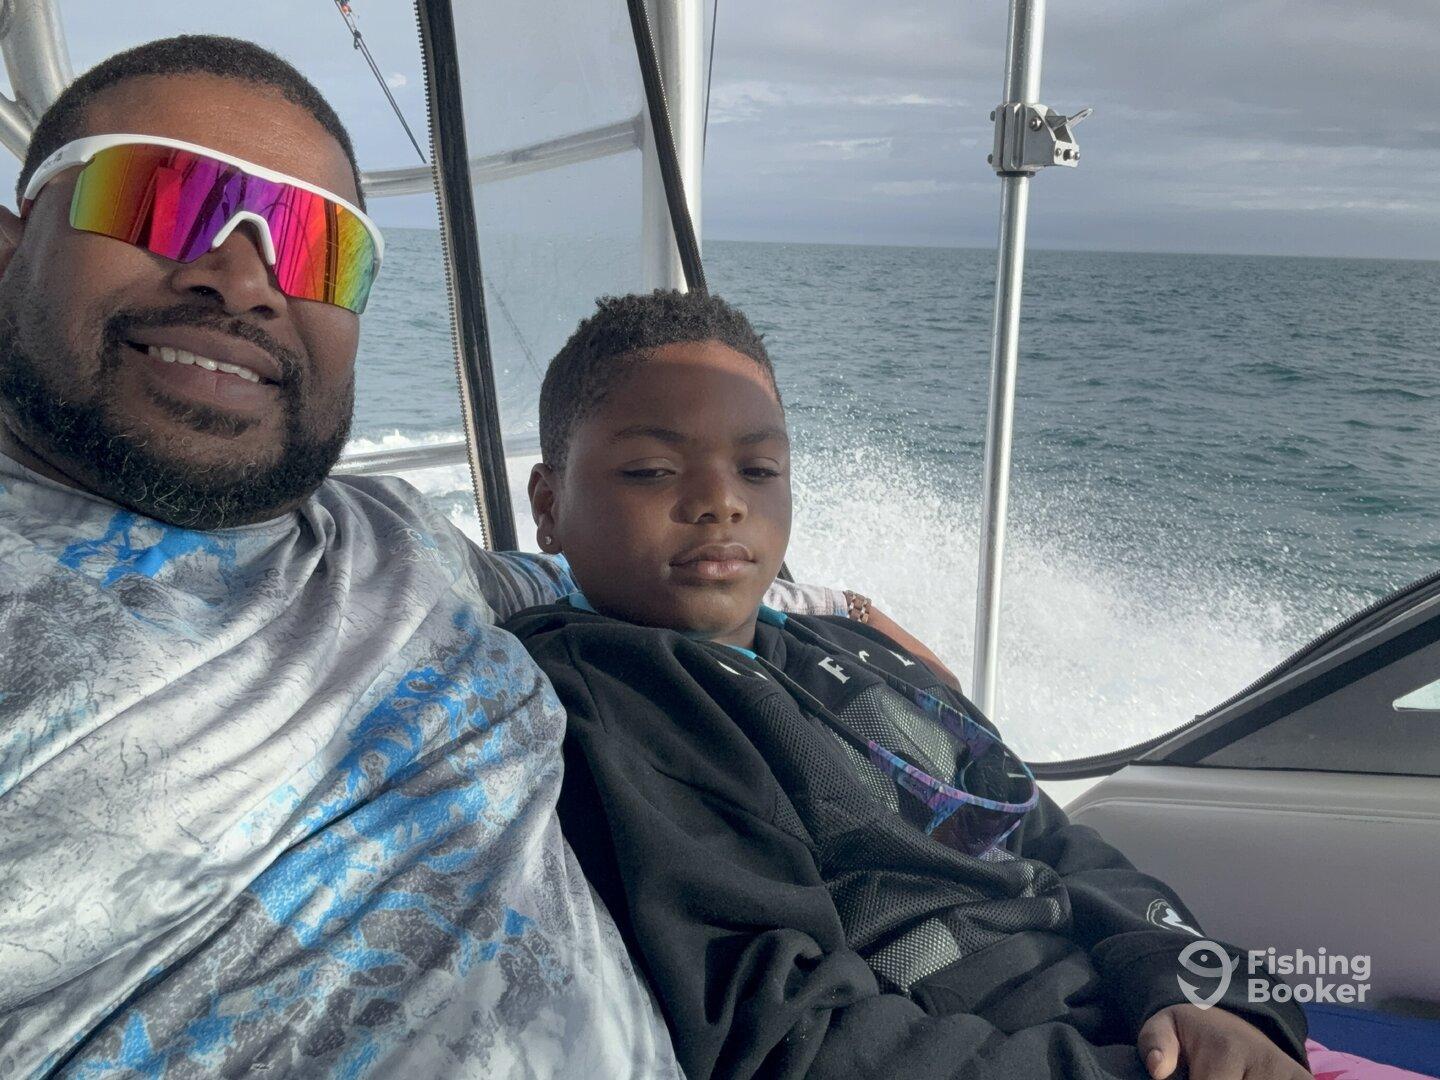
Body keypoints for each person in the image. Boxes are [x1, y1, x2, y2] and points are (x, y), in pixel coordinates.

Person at [0, 36, 862, 1077]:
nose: (243, 279)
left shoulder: (393, 535)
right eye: (157, 201)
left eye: (315, 247)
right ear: (10, 246)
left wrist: (836, 612)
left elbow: (603, 572)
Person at [504, 290, 1320, 1080]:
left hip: (1138, 1018)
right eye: (651, 470)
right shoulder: (616, 702)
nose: (721, 501)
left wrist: (1201, 994)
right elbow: (791, 1035)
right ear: (548, 504)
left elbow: (1048, 836)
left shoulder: (856, 649)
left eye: (758, 468)